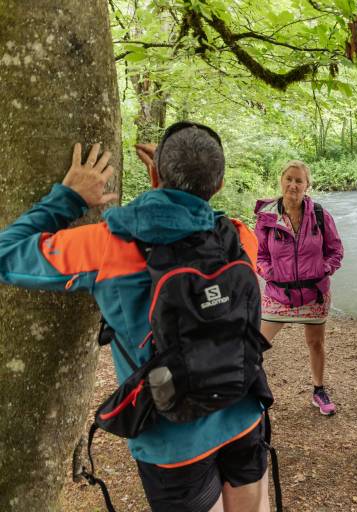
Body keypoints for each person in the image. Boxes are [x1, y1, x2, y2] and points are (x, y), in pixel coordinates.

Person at [0, 123, 271, 511]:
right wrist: (168, 188)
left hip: (173, 438)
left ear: (157, 172)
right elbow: (194, 227)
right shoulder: (240, 238)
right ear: (221, 182)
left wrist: (69, 197)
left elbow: (6, 254)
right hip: (243, 407)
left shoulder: (105, 247)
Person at [254, 160, 343, 416]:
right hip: (278, 294)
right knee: (257, 344)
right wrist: (269, 272)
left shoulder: (319, 215)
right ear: (281, 181)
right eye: (289, 179)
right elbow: (258, 254)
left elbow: (336, 250)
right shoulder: (267, 217)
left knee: (315, 343)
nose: (293, 185)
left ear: (307, 185)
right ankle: (254, 392)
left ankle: (319, 390)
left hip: (314, 293)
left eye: (299, 180)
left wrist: (324, 269)